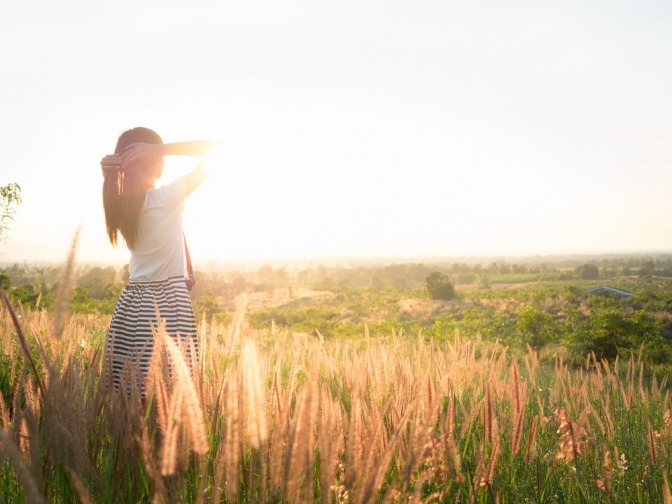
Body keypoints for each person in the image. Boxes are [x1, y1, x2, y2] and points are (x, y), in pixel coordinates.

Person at [100, 127, 216, 396]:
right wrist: (161, 149)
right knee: (169, 398)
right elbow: (216, 148)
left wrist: (110, 172)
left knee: (131, 401)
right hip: (167, 307)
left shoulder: (118, 203)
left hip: (129, 308)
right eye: (156, 153)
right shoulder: (164, 198)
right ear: (151, 160)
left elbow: (117, 187)